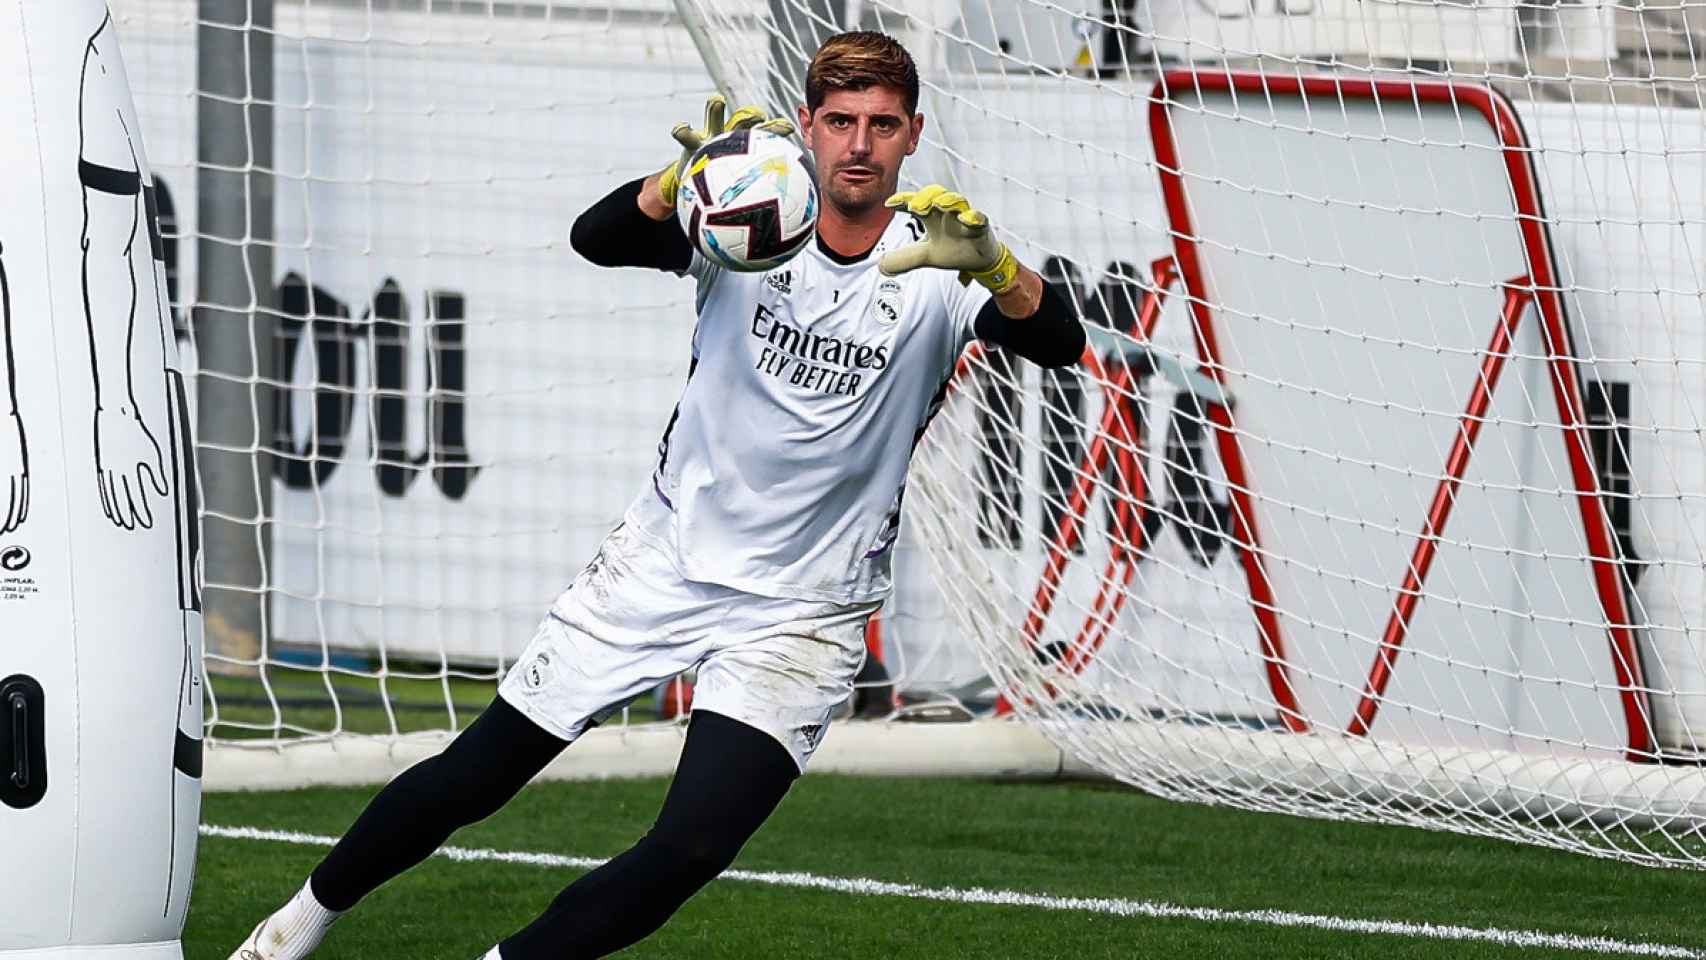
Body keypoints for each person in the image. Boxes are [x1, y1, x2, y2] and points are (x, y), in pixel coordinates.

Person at [228, 30, 1083, 960]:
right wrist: (671, 187)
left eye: (882, 124)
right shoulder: (746, 217)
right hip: (663, 563)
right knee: (479, 773)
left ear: (914, 133)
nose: (860, 145)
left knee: (693, 845)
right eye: (840, 121)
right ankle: (289, 932)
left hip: (806, 609)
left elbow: (1062, 344)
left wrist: (998, 266)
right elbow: (592, 240)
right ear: (807, 125)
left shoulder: (937, 260)